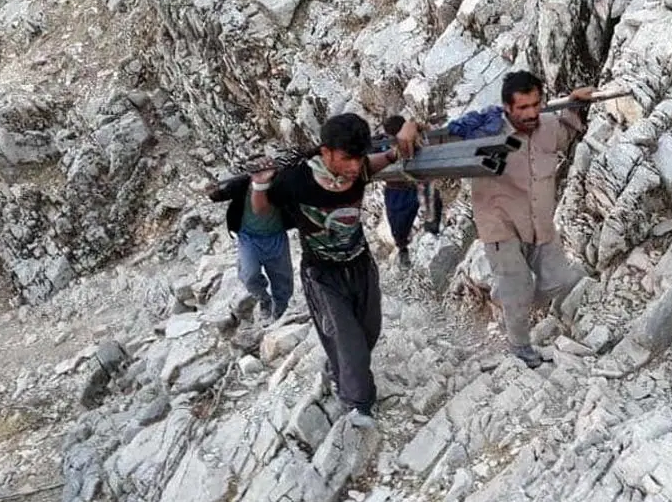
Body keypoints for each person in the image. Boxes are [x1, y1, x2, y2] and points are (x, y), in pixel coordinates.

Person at [394, 71, 594, 368]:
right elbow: (438, 138)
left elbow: (566, 133)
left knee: (558, 281)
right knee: (518, 288)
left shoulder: (549, 125)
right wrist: (411, 127)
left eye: (536, 104)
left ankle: (509, 299)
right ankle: (520, 346)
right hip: (500, 223)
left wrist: (576, 104)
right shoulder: (484, 131)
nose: (531, 113)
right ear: (507, 107)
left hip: (540, 221)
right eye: (522, 108)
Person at [224, 113, 403, 427]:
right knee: (350, 344)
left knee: (368, 333)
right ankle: (357, 404)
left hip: (361, 265)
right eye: (347, 158)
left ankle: (338, 372)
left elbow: (372, 165)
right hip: (323, 275)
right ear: (326, 152)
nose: (353, 166)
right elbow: (263, 209)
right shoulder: (297, 180)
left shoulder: (358, 168)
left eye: (358, 158)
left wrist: (392, 152)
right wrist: (260, 184)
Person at [204, 159, 295, 326]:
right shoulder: (242, 184)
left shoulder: (281, 184)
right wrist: (212, 191)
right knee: (249, 275)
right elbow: (220, 195)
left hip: (276, 237)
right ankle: (264, 299)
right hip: (249, 238)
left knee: (283, 280)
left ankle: (280, 312)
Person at [380, 115, 422, 268]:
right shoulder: (382, 144)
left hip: (413, 186)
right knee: (397, 224)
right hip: (395, 189)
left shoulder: (413, 138)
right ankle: (402, 248)